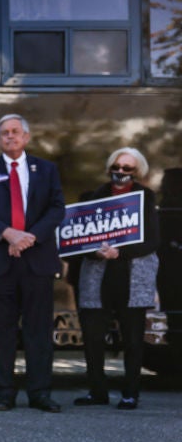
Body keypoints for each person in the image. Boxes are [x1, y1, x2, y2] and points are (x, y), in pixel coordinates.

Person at [0, 114, 66, 412]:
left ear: (26, 137)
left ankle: (39, 393)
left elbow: (57, 209)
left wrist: (29, 238)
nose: (9, 137)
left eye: (15, 132)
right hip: (0, 263)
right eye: (4, 133)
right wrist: (8, 234)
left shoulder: (46, 169)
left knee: (38, 331)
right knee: (2, 331)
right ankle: (4, 393)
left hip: (37, 262)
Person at [74, 148, 160, 410]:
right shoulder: (92, 197)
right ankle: (97, 391)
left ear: (137, 172)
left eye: (127, 168)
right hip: (98, 277)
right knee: (93, 337)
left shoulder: (146, 197)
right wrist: (96, 252)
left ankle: (130, 393)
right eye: (117, 166)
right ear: (110, 167)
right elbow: (78, 237)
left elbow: (152, 240)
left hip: (131, 277)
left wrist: (119, 252)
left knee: (133, 339)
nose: (121, 172)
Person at [158, 168, 182, 375]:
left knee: (174, 316)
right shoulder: (167, 209)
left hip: (168, 272)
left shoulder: (164, 208)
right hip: (170, 271)